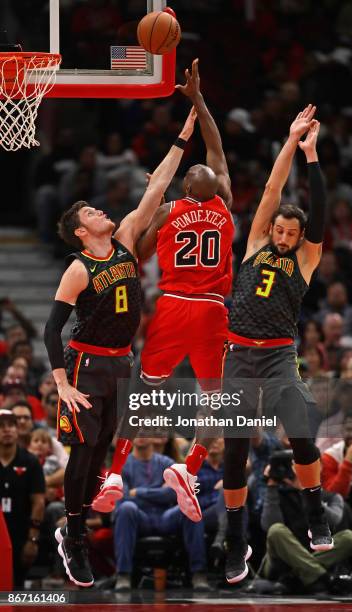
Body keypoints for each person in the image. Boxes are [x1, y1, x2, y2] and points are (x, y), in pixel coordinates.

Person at [43, 108, 197, 588]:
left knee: (104, 449)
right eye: (91, 212)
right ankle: (73, 534)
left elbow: (156, 190)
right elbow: (52, 330)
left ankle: (76, 529)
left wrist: (183, 134)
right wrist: (63, 385)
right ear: (81, 232)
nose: (101, 212)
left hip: (122, 363)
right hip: (86, 364)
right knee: (82, 455)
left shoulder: (127, 239)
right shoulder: (78, 268)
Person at [95, 59, 234, 521]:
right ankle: (189, 468)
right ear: (216, 187)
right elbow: (216, 147)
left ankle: (114, 473)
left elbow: (145, 253)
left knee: (145, 393)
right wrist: (198, 100)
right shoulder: (227, 204)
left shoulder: (169, 211)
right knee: (216, 399)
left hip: (173, 306)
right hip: (213, 309)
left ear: (184, 187)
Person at [222, 105, 334, 584]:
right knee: (233, 449)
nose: (285, 236)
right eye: (280, 230)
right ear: (270, 231)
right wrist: (289, 141)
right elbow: (271, 190)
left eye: (292, 232)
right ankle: (235, 540)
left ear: (301, 237)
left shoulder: (307, 258)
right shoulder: (254, 245)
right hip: (239, 353)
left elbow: (322, 212)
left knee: (301, 433)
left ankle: (315, 513)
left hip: (278, 355)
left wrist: (312, 157)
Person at [113, 438, 209, 592]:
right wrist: (160, 491)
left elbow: (173, 494)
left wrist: (139, 491)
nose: (142, 435)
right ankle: (123, 574)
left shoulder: (167, 462)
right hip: (138, 517)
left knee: (190, 508)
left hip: (166, 516)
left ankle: (199, 573)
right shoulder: (123, 464)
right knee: (126, 508)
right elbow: (123, 498)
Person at [261, 450, 352, 594]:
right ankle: (324, 578)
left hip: (313, 554)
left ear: (320, 467)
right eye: (297, 465)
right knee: (276, 530)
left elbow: (333, 520)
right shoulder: (277, 495)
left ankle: (296, 577)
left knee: (349, 538)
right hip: (281, 563)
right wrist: (271, 485)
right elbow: (269, 526)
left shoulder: (332, 497)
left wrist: (307, 490)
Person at [0, 409, 45, 587]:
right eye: (1, 426)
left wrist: (32, 539)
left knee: (16, 586)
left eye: (11, 425)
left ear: (18, 430)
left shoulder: (30, 462)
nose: (7, 430)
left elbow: (39, 502)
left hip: (20, 530)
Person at [321, 412, 352, 536]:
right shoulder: (330, 456)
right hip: (344, 520)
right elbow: (333, 497)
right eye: (349, 429)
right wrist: (348, 462)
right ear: (342, 431)